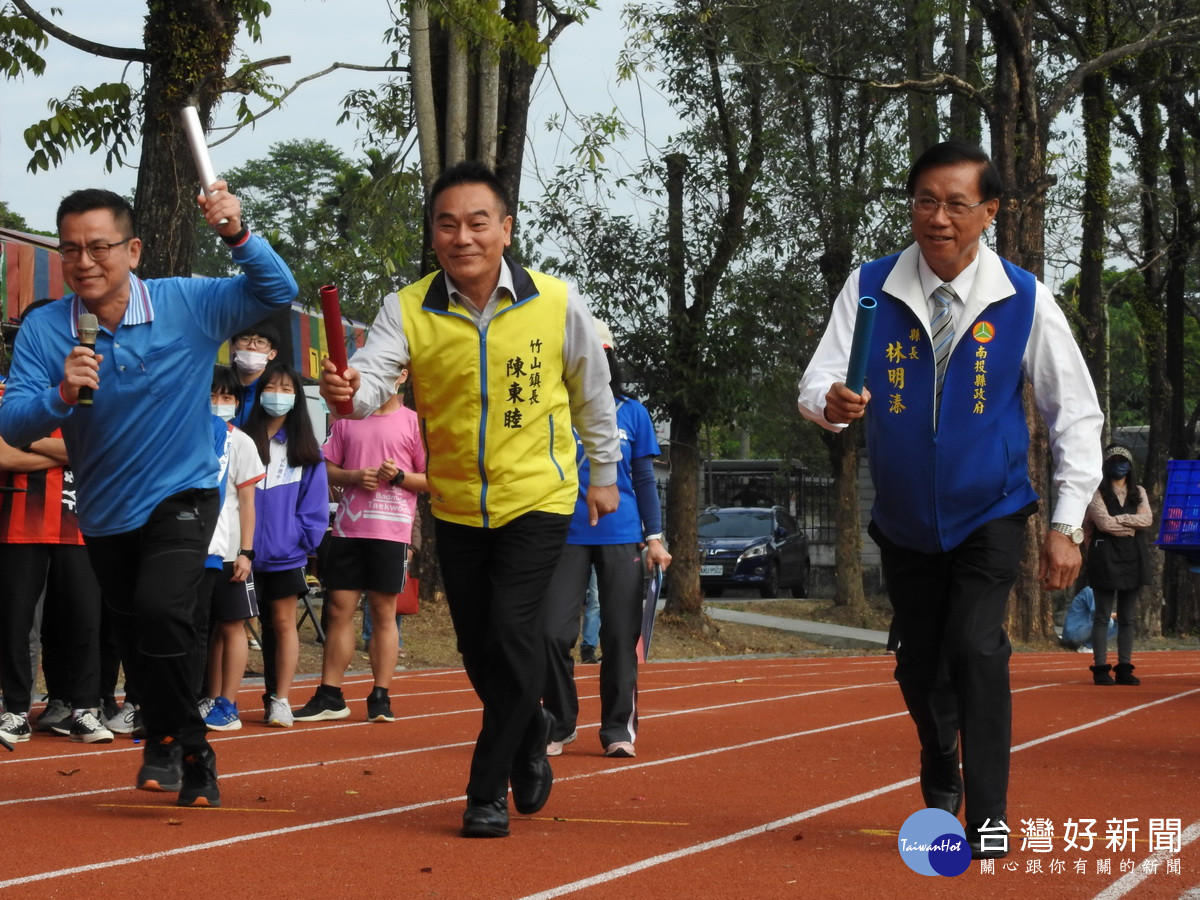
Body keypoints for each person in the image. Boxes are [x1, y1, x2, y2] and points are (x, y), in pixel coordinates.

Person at [797, 141, 1103, 860]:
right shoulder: (870, 288)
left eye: (957, 204)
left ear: (988, 213)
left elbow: (1075, 414)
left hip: (990, 509)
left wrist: (1066, 524)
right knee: (918, 662)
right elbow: (817, 383)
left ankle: (988, 814)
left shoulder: (1022, 298)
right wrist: (831, 404)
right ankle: (940, 760)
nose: (938, 218)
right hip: (904, 518)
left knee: (976, 648)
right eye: (925, 201)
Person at [320, 160, 620, 839]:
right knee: (479, 651)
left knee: (516, 633)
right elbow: (369, 381)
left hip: (538, 497)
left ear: (505, 229)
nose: (463, 237)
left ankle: (486, 790)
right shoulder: (409, 307)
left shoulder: (556, 302)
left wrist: (603, 471)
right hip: (455, 505)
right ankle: (532, 727)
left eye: (478, 222)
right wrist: (347, 393)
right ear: (434, 235)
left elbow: (592, 394)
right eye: (447, 224)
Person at [0, 183, 297, 806]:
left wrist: (236, 233)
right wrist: (59, 395)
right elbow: (13, 422)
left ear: (132, 250)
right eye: (71, 249)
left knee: (165, 610)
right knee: (138, 632)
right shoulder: (47, 329)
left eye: (100, 247)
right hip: (106, 510)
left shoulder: (185, 302)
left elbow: (277, 292)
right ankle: (164, 731)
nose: (84, 261)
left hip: (183, 491)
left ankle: (190, 746)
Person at [543, 319, 671, 760]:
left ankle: (618, 727)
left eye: (596, 356)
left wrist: (654, 538)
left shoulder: (632, 412)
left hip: (622, 536)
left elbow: (643, 479)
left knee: (619, 634)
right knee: (551, 633)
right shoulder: (552, 409)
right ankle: (559, 722)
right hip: (564, 535)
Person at [295, 367, 427, 724]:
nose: (380, 379)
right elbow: (325, 468)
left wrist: (398, 477)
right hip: (349, 530)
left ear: (402, 377)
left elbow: (432, 479)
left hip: (391, 532)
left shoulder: (414, 423)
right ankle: (330, 694)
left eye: (389, 372)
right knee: (338, 610)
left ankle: (380, 696)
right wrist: (354, 476)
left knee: (384, 612)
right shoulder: (347, 419)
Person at [0, 424, 111, 746]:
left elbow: (98, 453)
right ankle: (17, 711)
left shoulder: (92, 405)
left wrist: (29, 442)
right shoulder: (11, 403)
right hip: (17, 529)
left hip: (79, 529)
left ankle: (84, 710)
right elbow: (4, 458)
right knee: (14, 623)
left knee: (85, 621)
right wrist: (67, 455)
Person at [242, 360, 329, 728]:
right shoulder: (242, 439)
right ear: (259, 394)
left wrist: (296, 540)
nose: (277, 396)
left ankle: (279, 699)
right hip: (239, 555)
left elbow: (315, 509)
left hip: (283, 556)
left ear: (297, 398)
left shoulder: (304, 451)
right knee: (230, 626)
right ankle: (219, 698)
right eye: (270, 388)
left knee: (282, 624)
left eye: (286, 389)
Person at [200, 365, 266, 731]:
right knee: (203, 629)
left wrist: (246, 551)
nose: (219, 403)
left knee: (232, 625)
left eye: (227, 397)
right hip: (192, 548)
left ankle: (228, 702)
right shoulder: (184, 437)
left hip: (228, 551)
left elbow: (247, 502)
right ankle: (209, 696)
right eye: (212, 395)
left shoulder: (240, 442)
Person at [1083, 444, 1152, 686]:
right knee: (1102, 615)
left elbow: (1147, 519)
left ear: (1130, 464)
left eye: (1122, 459)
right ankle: (1100, 667)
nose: (1118, 464)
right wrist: (1131, 526)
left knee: (1128, 617)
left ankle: (1125, 667)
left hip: (1133, 557)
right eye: (1113, 459)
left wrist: (1119, 519)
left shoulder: (1139, 491)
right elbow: (1102, 524)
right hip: (1104, 558)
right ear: (1105, 463)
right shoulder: (1096, 492)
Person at [229, 321, 279, 427]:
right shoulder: (215, 387)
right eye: (245, 339)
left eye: (261, 342)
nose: (252, 346)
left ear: (272, 354)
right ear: (233, 347)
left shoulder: (276, 394)